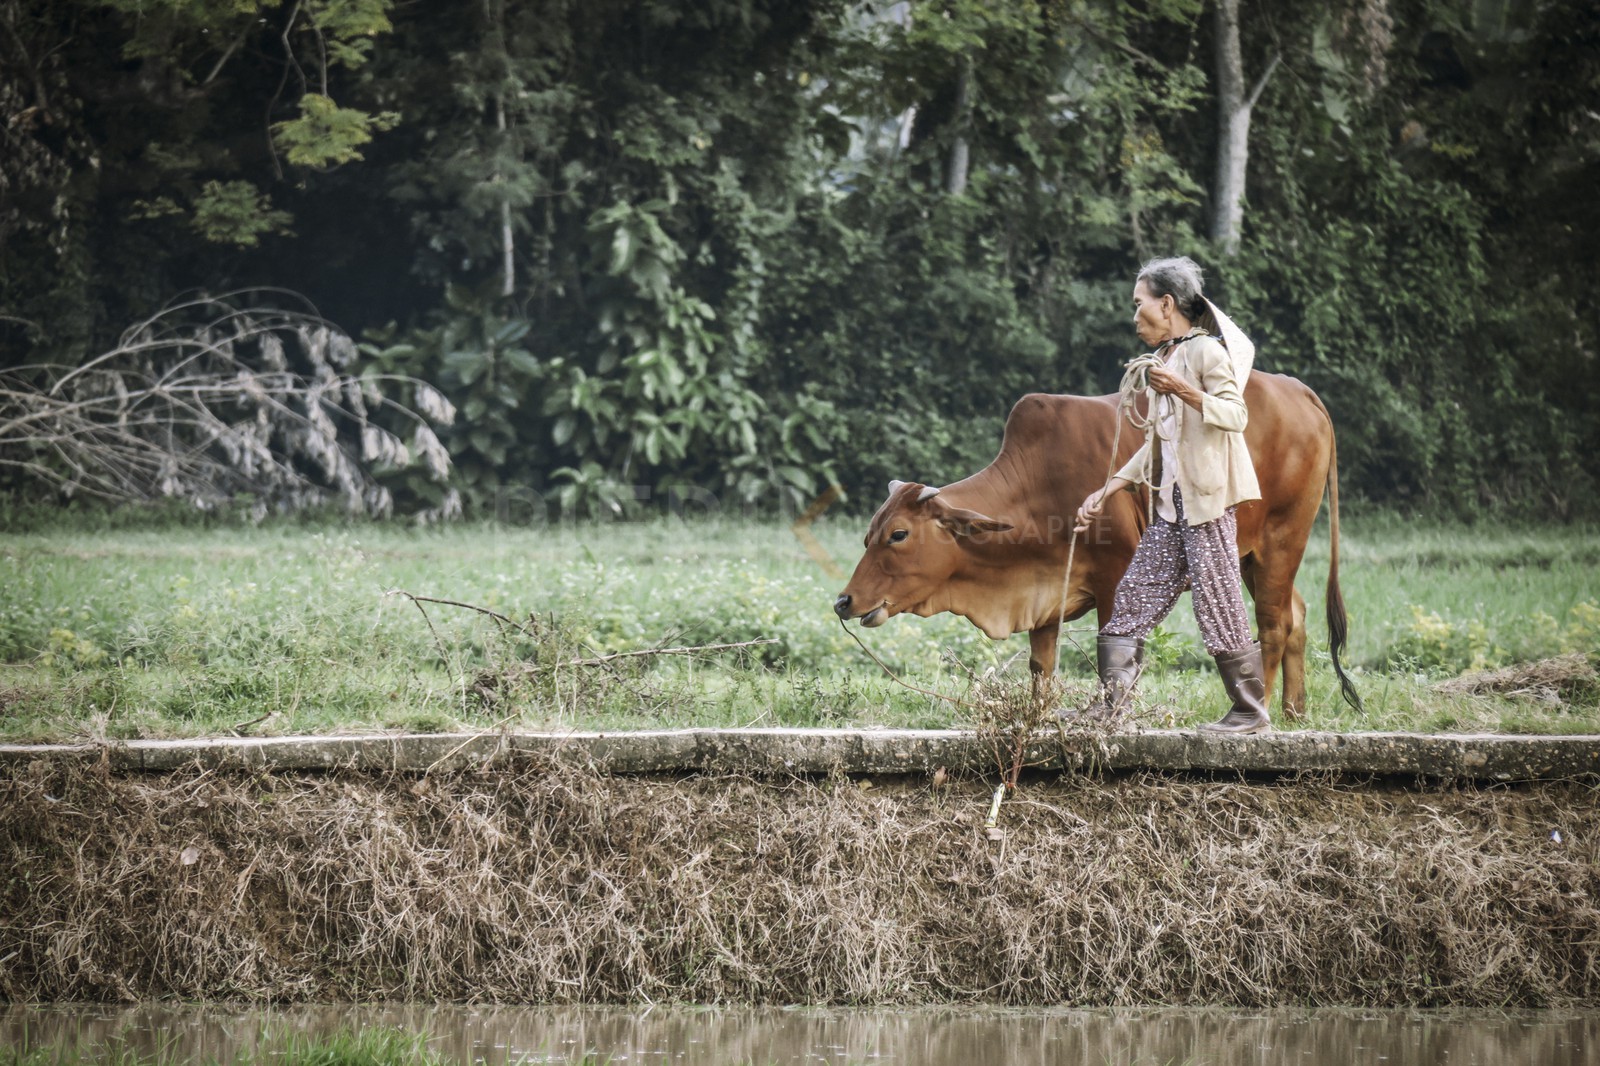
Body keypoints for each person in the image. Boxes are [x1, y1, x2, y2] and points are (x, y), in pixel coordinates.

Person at [1073, 256, 1269, 733]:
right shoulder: (1165, 359)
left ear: (1166, 304)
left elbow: (1235, 415)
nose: (1134, 316)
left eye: (1138, 304)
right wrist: (1108, 489)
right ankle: (1111, 706)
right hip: (1171, 508)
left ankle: (1251, 712)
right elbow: (1159, 444)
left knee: (1218, 602)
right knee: (1132, 598)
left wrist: (1183, 390)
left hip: (1206, 504)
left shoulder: (1205, 354)